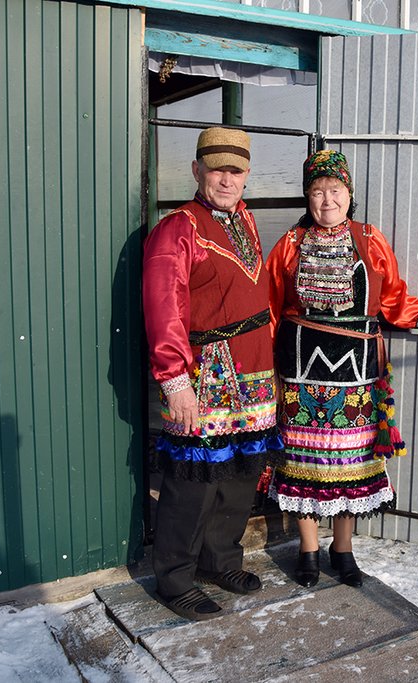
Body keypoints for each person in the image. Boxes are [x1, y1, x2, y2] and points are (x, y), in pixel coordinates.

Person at [265, 149, 418, 588]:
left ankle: (342, 550)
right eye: (318, 192)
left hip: (358, 376)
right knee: (304, 463)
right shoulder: (289, 245)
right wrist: (266, 371)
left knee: (350, 465)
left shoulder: (368, 239)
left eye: (335, 191)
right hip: (301, 374)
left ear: (349, 193)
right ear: (307, 196)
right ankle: (307, 550)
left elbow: (395, 298)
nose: (327, 201)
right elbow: (269, 307)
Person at [143, 127, 282, 620]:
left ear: (247, 176)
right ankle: (175, 576)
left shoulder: (245, 220)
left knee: (240, 476)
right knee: (193, 480)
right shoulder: (176, 229)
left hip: (253, 373)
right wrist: (175, 380)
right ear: (197, 170)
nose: (227, 179)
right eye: (218, 168)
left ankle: (219, 559)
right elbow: (164, 310)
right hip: (205, 375)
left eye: (236, 171)